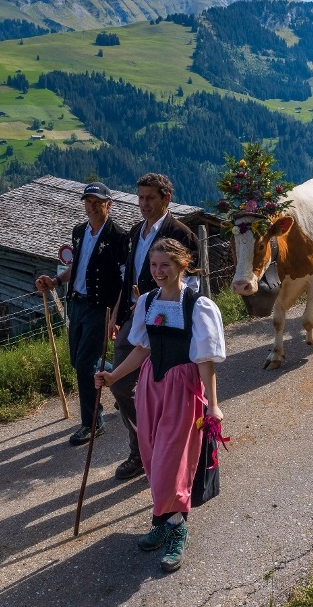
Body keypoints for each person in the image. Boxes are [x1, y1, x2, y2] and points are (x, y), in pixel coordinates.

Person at [95, 238, 225, 573]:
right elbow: (142, 349)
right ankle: (163, 520)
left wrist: (213, 404)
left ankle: (178, 527)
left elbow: (205, 360)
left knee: (171, 460)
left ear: (183, 264)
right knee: (152, 455)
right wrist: (113, 376)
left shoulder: (197, 305)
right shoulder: (148, 301)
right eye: (154, 265)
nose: (158, 272)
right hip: (151, 386)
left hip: (182, 388)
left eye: (165, 265)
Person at [108, 173, 200, 480]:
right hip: (136, 319)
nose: (143, 204)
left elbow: (193, 286)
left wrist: (182, 327)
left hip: (170, 324)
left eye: (150, 198)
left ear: (166, 199)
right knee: (120, 385)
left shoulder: (181, 233)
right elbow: (128, 278)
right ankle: (140, 446)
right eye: (141, 197)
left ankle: (172, 450)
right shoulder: (136, 232)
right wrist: (118, 314)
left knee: (169, 391)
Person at [35, 182, 128, 445]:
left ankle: (92, 423)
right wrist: (55, 281)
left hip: (102, 307)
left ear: (109, 204)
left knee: (86, 363)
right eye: (88, 201)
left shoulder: (118, 237)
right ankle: (125, 379)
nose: (92, 206)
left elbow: (124, 278)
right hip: (77, 303)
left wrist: (116, 316)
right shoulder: (79, 232)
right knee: (79, 361)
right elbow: (78, 266)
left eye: (97, 201)